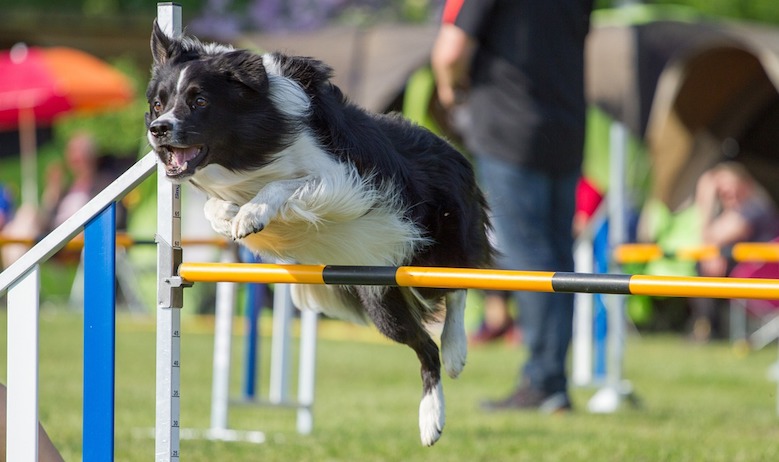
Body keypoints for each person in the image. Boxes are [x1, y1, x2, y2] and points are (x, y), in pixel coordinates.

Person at [432, 0, 594, 412]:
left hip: (509, 126)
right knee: (558, 257)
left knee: (530, 257)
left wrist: (452, 95)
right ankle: (551, 379)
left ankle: (543, 383)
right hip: (567, 128)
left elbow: (450, 51)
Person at [690, 162, 779, 341]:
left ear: (745, 185)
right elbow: (710, 241)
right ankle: (706, 326)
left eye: (731, 188)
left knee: (704, 266)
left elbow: (712, 235)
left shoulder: (754, 208)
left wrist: (705, 199)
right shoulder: (742, 209)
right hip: (752, 269)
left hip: (762, 273)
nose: (728, 194)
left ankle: (706, 328)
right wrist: (713, 254)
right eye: (721, 192)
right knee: (707, 262)